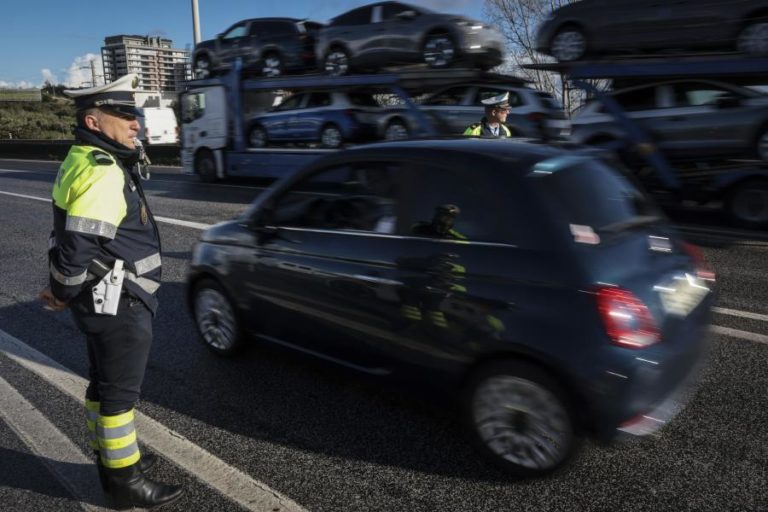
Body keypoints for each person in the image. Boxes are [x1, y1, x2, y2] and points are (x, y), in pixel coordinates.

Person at [38, 73, 183, 509]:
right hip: (119, 300)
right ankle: (125, 483)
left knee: (102, 385)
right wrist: (61, 291)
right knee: (119, 395)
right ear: (94, 121)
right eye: (123, 114)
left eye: (133, 113)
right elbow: (78, 246)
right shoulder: (102, 171)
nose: (135, 122)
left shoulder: (84, 157)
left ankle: (111, 459)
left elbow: (69, 240)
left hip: (102, 298)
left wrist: (64, 289)